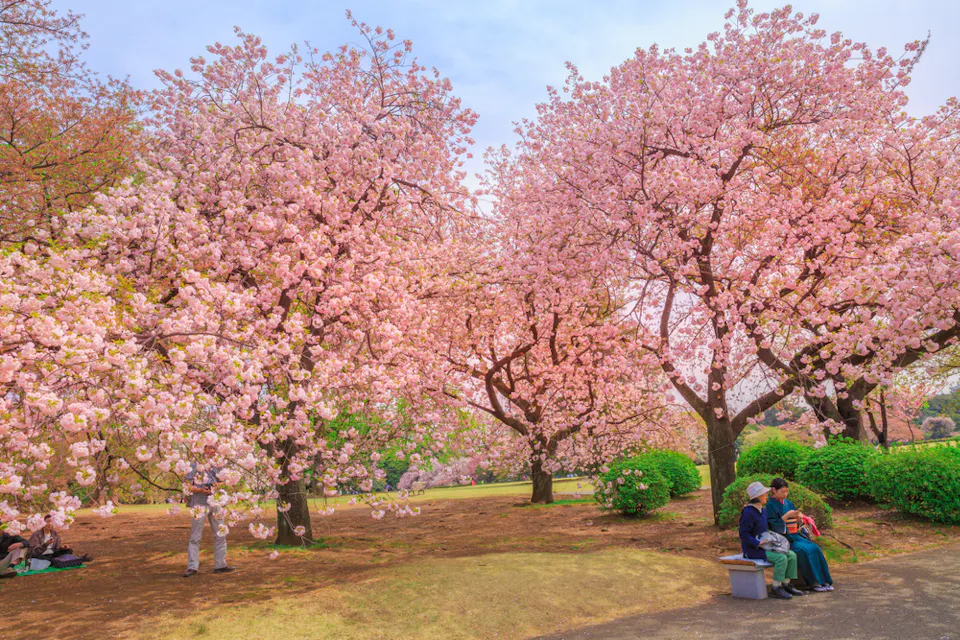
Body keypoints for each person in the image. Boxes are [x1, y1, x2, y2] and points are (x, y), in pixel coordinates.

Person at [738, 480, 803, 600]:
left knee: (791, 555)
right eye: (764, 494)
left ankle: (786, 584)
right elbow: (743, 534)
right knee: (781, 558)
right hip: (753, 550)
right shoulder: (748, 513)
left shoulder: (763, 511)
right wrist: (757, 543)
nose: (766, 496)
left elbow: (768, 527)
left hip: (766, 545)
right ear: (757, 497)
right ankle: (776, 587)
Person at [767, 477, 834, 592]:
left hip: (794, 535)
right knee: (803, 551)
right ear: (774, 490)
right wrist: (786, 516)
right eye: (782, 491)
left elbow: (794, 518)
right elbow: (772, 525)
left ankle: (824, 580)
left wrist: (798, 517)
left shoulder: (788, 503)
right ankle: (813, 582)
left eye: (787, 491)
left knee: (815, 548)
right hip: (782, 539)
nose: (785, 494)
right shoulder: (769, 505)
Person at [184, 444, 234, 577]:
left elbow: (226, 481)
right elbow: (187, 485)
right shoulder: (194, 465)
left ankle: (220, 565)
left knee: (220, 533)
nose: (212, 451)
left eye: (214, 448)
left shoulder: (219, 465)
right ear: (203, 450)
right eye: (209, 448)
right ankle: (192, 567)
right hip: (199, 504)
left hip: (216, 502)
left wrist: (215, 485)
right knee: (195, 536)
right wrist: (200, 490)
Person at [27, 515, 92, 562]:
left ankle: (79, 558)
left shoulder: (54, 534)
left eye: (51, 522)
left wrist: (63, 547)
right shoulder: (37, 534)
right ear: (43, 522)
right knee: (46, 558)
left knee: (69, 551)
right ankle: (74, 559)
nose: (49, 524)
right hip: (41, 555)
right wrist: (46, 544)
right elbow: (33, 551)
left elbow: (56, 549)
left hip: (52, 554)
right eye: (47, 521)